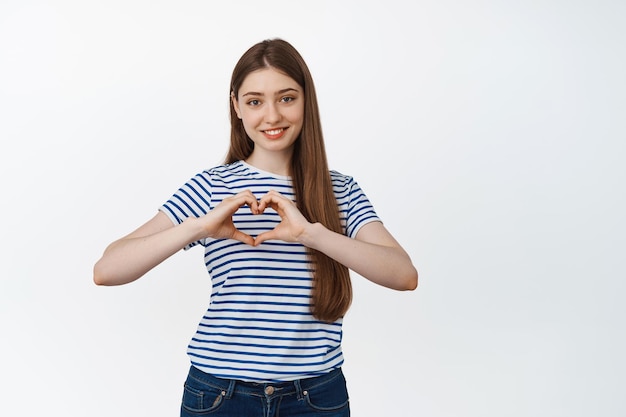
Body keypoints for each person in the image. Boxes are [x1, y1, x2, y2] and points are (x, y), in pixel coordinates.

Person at [93, 38, 418, 417]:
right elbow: (107, 270)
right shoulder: (212, 187)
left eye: (286, 98)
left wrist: (312, 233)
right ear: (236, 107)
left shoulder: (340, 190)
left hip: (316, 397)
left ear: (306, 101)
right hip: (219, 395)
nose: (272, 116)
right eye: (254, 101)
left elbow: (404, 274)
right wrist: (197, 227)